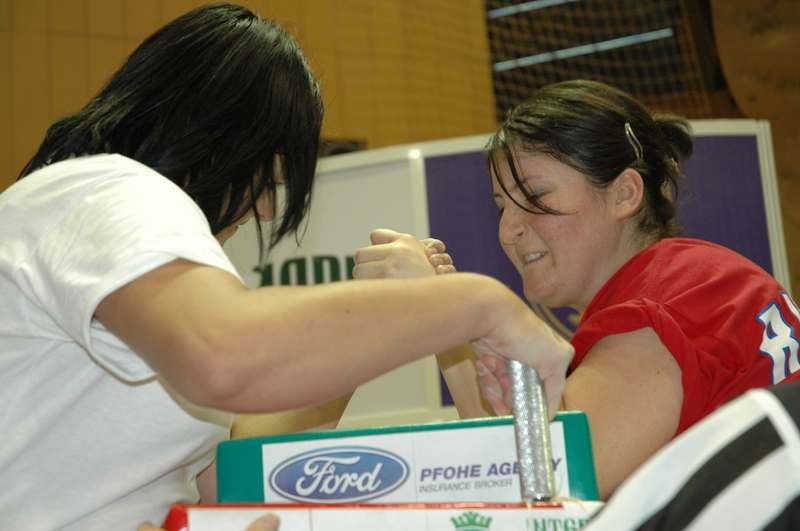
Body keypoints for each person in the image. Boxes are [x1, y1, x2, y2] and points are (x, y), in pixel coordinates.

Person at [0, 4, 574, 530]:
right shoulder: (104, 188)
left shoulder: (148, 254)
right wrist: (476, 304)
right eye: (269, 171)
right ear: (223, 134)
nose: (267, 207)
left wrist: (370, 317)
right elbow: (224, 357)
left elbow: (233, 466)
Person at [353, 79, 800, 499]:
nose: (509, 229)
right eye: (501, 207)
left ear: (625, 194)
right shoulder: (694, 277)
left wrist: (439, 309)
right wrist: (444, 320)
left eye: (535, 197)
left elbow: (548, 482)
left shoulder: (666, 300)